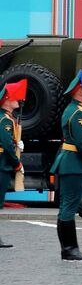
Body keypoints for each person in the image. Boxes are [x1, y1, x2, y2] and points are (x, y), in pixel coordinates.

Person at [49, 73, 82, 261]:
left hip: (70, 162)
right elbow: (81, 144)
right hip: (74, 163)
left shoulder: (75, 110)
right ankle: (70, 249)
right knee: (69, 206)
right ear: (79, 90)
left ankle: (69, 248)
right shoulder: (77, 113)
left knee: (67, 206)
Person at [0, 81, 21, 249]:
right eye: (14, 98)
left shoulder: (6, 118)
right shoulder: (5, 121)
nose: (18, 100)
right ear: (6, 100)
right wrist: (16, 162)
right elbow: (7, 145)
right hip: (2, 164)